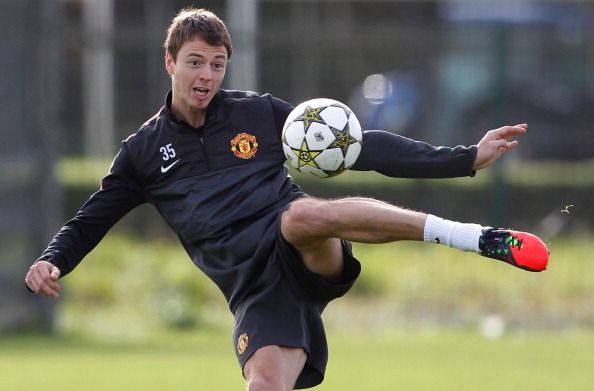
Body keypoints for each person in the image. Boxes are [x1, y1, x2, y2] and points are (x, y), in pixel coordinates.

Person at [25, 7, 549, 391]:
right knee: (264, 388)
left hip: (302, 249)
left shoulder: (257, 113)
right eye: (195, 62)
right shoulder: (142, 152)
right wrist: (53, 260)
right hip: (254, 290)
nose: (206, 75)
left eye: (217, 63)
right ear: (170, 62)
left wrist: (464, 159)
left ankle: (474, 238)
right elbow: (92, 217)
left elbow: (359, 146)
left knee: (299, 216)